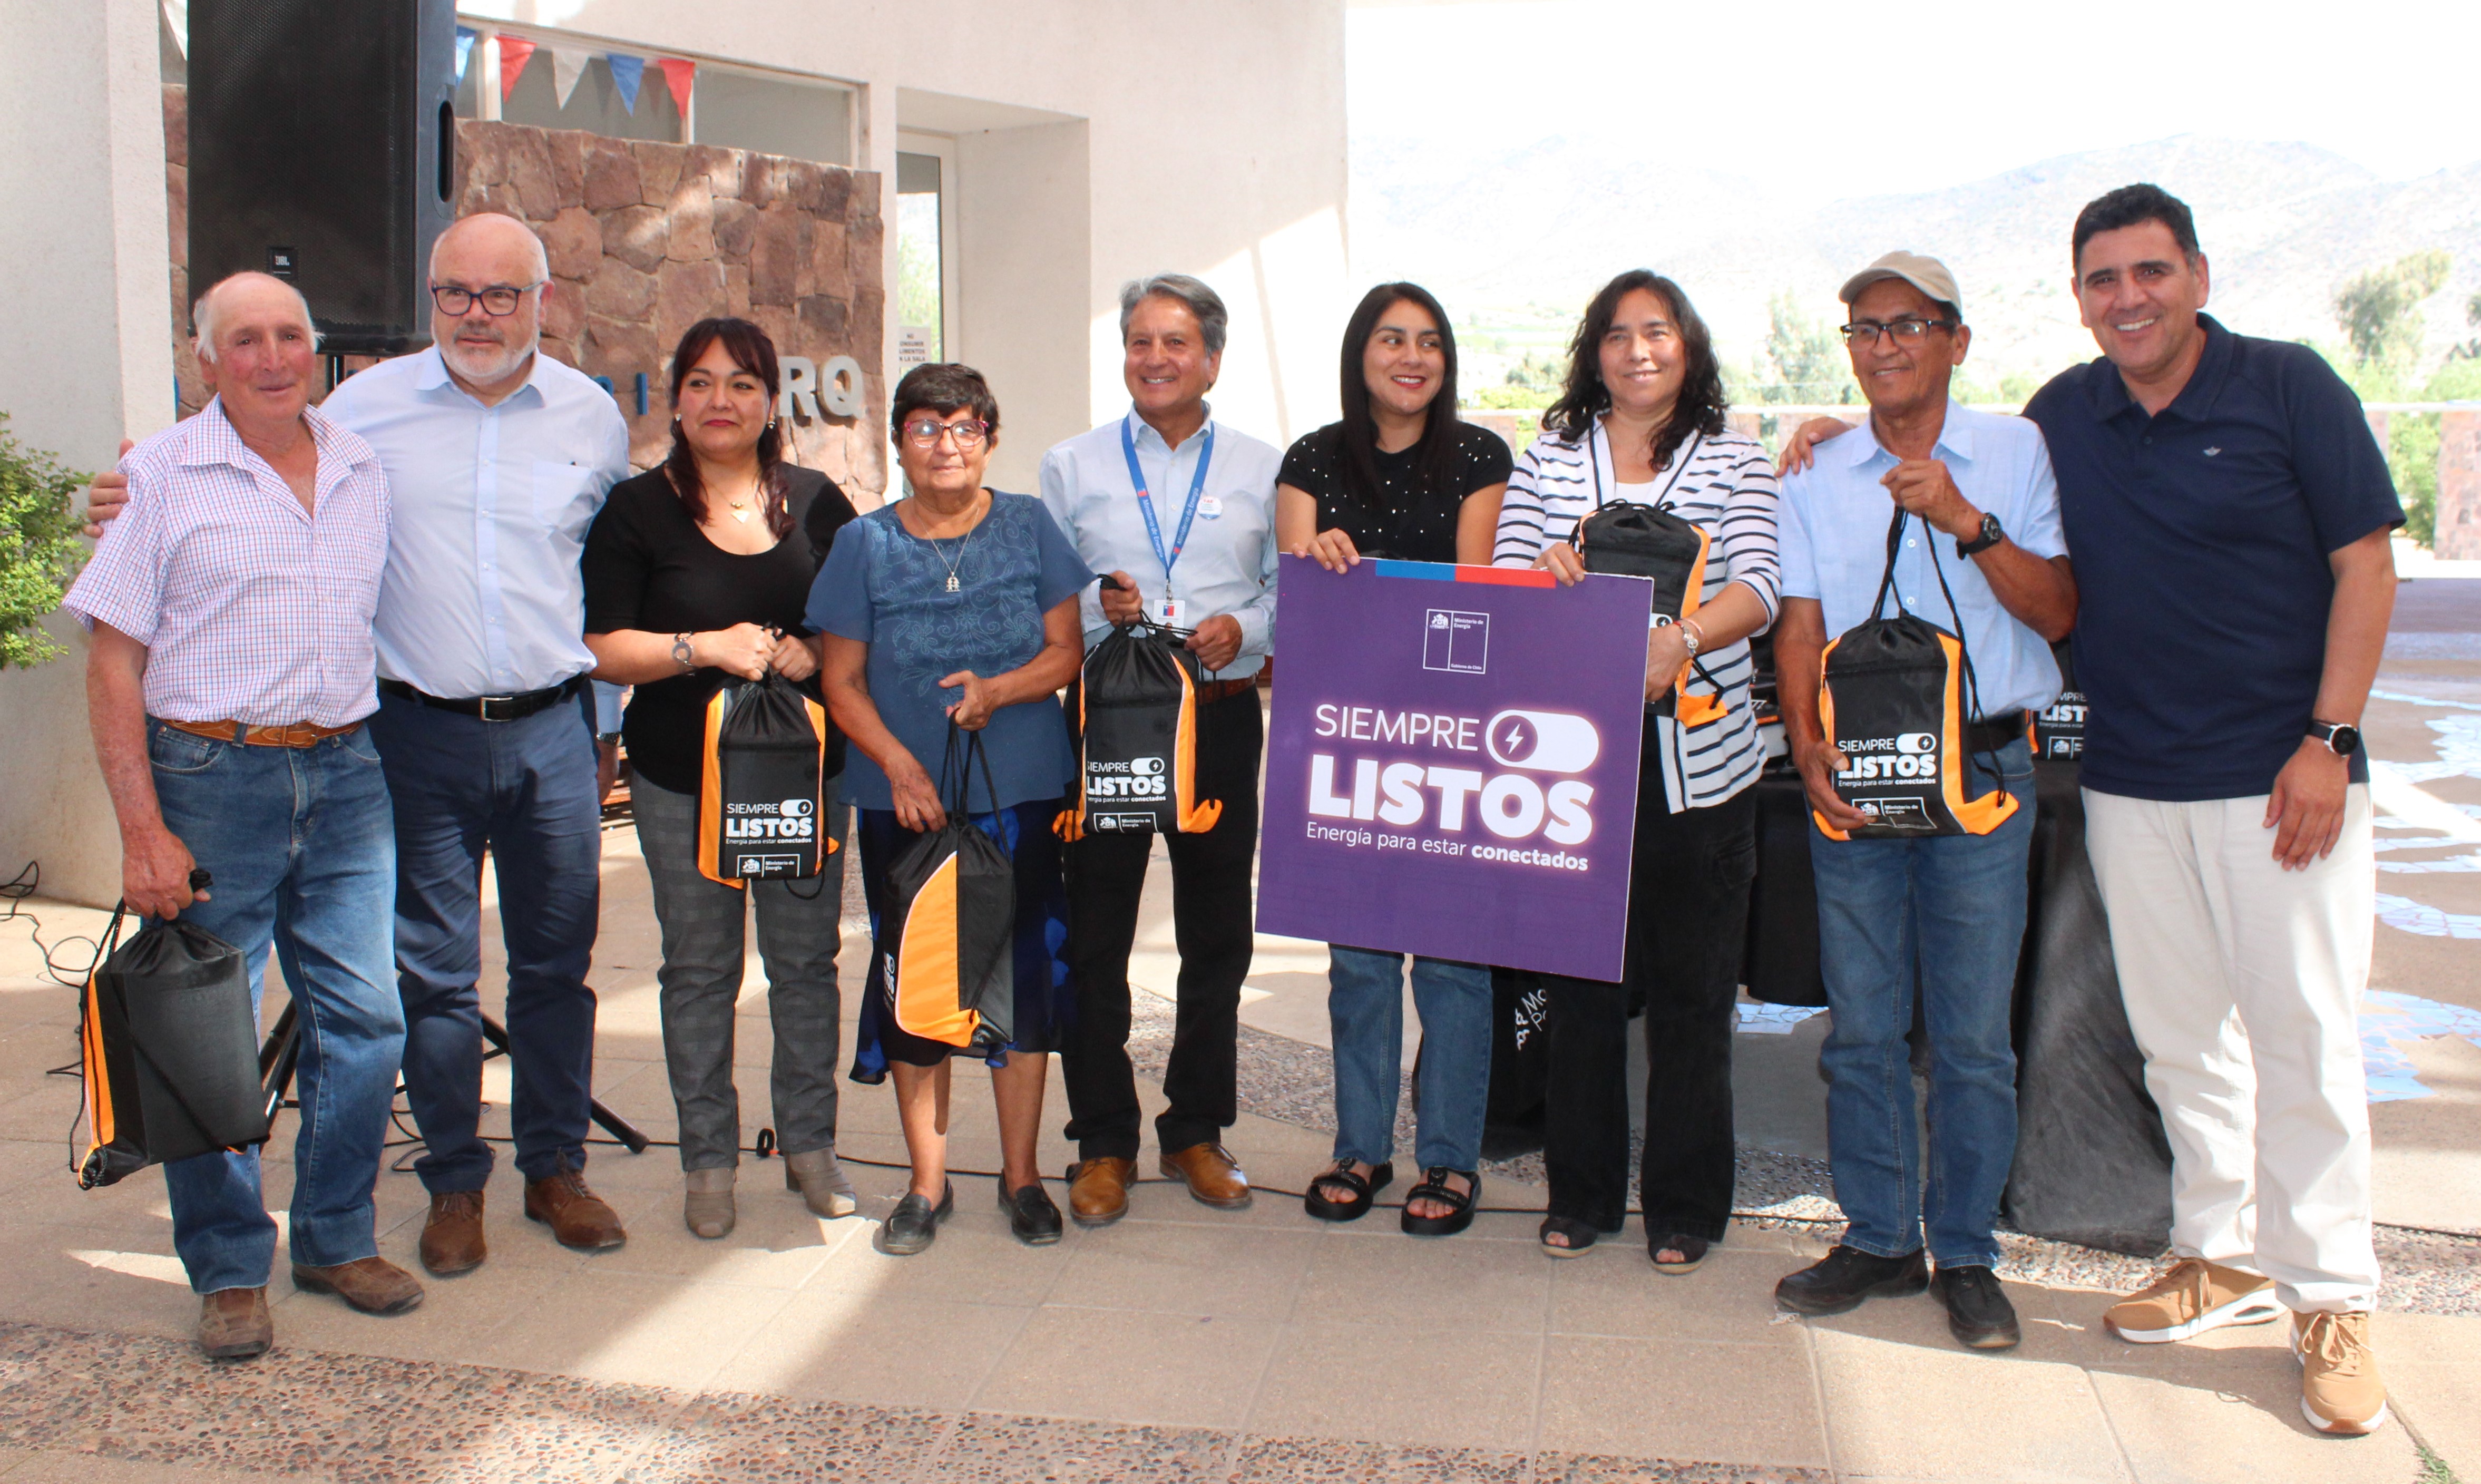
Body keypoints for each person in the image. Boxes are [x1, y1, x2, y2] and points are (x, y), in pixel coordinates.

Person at [84, 213, 636, 1268]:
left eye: (501, 295)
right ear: (428, 297)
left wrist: (604, 729)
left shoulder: (590, 418)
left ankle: (553, 1168)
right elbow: (244, 453)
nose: (476, 315)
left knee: (551, 968)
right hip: (405, 737)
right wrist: (127, 489)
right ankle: (449, 1184)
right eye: (454, 294)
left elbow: (603, 572)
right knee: (425, 982)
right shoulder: (364, 411)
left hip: (549, 731)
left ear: (544, 301)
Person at [2026, 186, 2398, 1434]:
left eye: (2146, 272)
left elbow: (2365, 564)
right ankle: (2216, 1255)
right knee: (2180, 1037)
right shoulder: (2064, 414)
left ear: (2194, 273)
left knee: (2304, 1037)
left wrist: (2328, 740)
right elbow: (1960, 474)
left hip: (2282, 780)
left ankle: (2330, 1294)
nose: (2124, 298)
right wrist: (1823, 439)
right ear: (2077, 298)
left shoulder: (2289, 388)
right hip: (2133, 780)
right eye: (2099, 281)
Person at [66, 271, 418, 1360]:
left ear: (318, 348)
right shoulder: (161, 474)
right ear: (205, 360)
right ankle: (226, 1267)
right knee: (208, 1035)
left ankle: (333, 1235)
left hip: (349, 770)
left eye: (290, 336)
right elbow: (113, 662)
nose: (272, 357)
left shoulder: (363, 466)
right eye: (245, 341)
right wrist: (140, 830)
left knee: (366, 1022)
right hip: (213, 775)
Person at [1768, 253, 2077, 1353]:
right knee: (1858, 1028)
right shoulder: (1810, 468)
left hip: (1982, 782)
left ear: (1956, 339)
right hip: (1854, 777)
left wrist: (1963, 516)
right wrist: (1804, 744)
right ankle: (1877, 1235)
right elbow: (1797, 623)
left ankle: (1966, 1253)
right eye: (1862, 327)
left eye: (1907, 324)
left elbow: (2053, 610)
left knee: (1970, 1038)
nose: (1884, 344)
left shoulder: (2013, 450)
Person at [1491, 270, 1781, 1270]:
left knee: (1696, 998)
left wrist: (1685, 637)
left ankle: (1688, 1205)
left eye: (1656, 332)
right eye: (1617, 335)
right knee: (1579, 992)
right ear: (1594, 353)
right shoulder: (1550, 458)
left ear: (1687, 346)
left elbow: (1761, 585)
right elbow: (1507, 582)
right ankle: (1581, 1192)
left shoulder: (1737, 461)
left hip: (1702, 771)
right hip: (1572, 768)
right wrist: (1547, 578)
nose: (1637, 350)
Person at [582, 318, 861, 1239]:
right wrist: (702, 647)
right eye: (700, 383)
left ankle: (812, 1150)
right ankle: (708, 1160)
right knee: (699, 970)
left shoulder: (821, 505)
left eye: (741, 384)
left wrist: (812, 654)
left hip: (798, 776)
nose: (720, 402)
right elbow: (601, 649)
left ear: (771, 402)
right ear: (676, 399)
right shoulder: (637, 511)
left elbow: (862, 634)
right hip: (678, 778)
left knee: (805, 966)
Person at [812, 363, 1092, 1255]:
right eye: (927, 428)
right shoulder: (863, 545)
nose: (946, 445)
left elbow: (1065, 654)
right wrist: (896, 763)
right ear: (898, 441)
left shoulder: (1027, 525)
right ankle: (926, 1186)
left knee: (1026, 978)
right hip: (909, 803)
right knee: (919, 977)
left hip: (1023, 790)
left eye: (965, 427)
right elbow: (839, 679)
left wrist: (1000, 691)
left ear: (990, 438)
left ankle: (1023, 1177)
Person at [1039, 275, 1282, 1224]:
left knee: (1216, 938)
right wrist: (1096, 611)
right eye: (1139, 342)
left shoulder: (1267, 467)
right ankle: (1103, 1142)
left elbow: (1288, 592)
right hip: (1109, 719)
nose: (1154, 358)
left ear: (1212, 359)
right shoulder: (1073, 464)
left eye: (1174, 342)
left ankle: (1194, 1130)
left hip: (1218, 717)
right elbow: (1044, 600)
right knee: (1093, 937)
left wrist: (1245, 627)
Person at [1278, 281, 1510, 1235]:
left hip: (1453, 742)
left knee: (1455, 965)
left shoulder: (1481, 456)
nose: (1411, 358)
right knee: (1361, 962)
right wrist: (1318, 565)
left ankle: (1450, 1162)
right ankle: (1360, 1148)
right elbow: (1299, 613)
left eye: (1428, 343)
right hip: (1348, 744)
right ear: (1359, 354)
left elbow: (1476, 596)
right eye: (1390, 340)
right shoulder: (1313, 460)